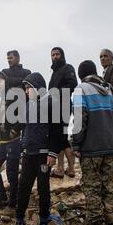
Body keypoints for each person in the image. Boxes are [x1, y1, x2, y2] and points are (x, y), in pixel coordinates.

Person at [9, 72, 62, 225]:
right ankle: (19, 223)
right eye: (25, 88)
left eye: (28, 88)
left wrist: (53, 153)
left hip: (43, 156)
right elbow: (22, 123)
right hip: (28, 154)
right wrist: (13, 129)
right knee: (23, 188)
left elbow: (57, 130)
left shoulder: (51, 104)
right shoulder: (29, 105)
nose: (26, 92)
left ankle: (44, 223)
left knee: (43, 188)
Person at [71, 60, 113, 225]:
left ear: (80, 75)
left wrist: (76, 144)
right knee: (108, 186)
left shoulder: (81, 89)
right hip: (111, 145)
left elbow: (79, 120)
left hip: (92, 148)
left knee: (92, 188)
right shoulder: (108, 89)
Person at [0, 51, 31, 211]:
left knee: (12, 174)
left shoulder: (14, 95)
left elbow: (24, 115)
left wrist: (16, 130)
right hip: (1, 141)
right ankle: (3, 197)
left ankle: (13, 204)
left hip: (13, 140)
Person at [48, 47, 78, 178]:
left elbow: (73, 84)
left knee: (61, 137)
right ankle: (66, 169)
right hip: (55, 107)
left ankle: (64, 169)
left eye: (57, 54)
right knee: (61, 137)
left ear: (62, 55)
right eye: (53, 55)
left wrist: (56, 93)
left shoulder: (67, 68)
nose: (55, 57)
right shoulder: (54, 72)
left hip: (64, 106)